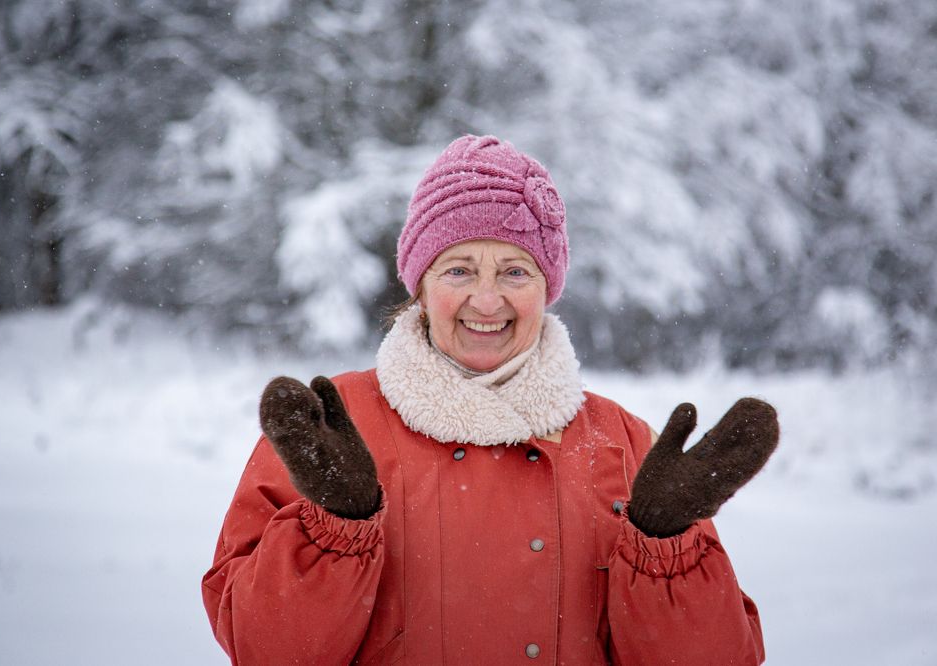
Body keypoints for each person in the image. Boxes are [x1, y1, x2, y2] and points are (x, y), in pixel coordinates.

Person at [201, 135, 778, 665]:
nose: (486, 300)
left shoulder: (626, 444)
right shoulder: (331, 428)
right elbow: (265, 650)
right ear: (420, 286)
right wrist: (334, 529)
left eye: (514, 272)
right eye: (458, 270)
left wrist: (667, 551)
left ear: (547, 288)